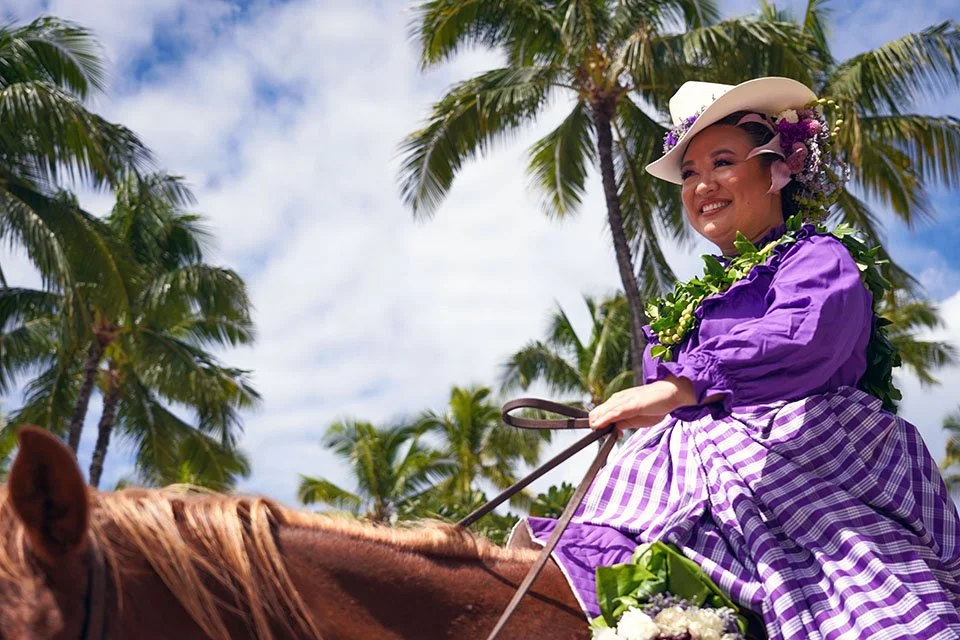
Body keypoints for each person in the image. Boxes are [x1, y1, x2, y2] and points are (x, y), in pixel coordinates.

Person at [518, 77, 960, 639]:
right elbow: (676, 384)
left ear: (775, 168)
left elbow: (804, 335)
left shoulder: (817, 256)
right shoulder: (687, 309)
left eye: (722, 162)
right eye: (689, 173)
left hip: (805, 452)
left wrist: (684, 386)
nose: (703, 184)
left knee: (856, 602)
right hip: (679, 467)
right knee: (622, 590)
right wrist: (672, 394)